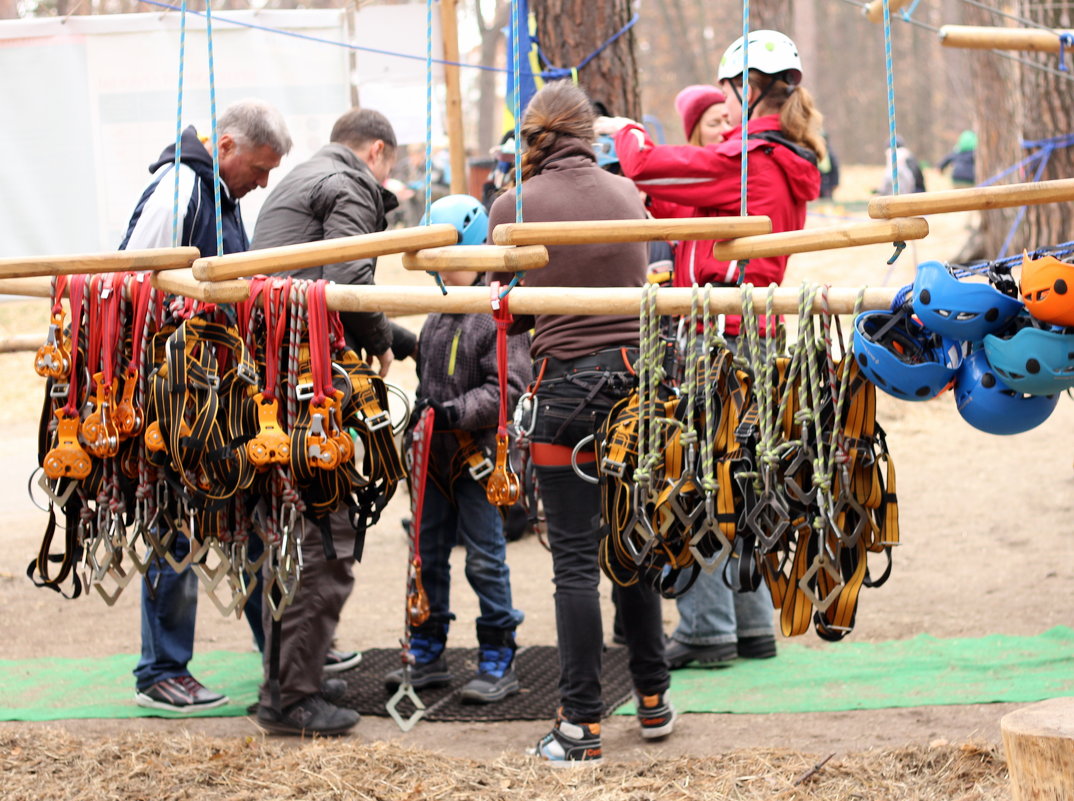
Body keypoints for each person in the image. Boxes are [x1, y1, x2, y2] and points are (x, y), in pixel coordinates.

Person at [601, 31, 825, 668]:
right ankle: (750, 624)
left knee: (695, 478)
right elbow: (680, 200)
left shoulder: (751, 159)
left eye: (730, 95)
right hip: (747, 335)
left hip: (715, 339)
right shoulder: (778, 160)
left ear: (747, 88)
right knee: (741, 476)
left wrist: (626, 134)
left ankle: (704, 630)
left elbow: (648, 167)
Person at [490, 81, 675, 766]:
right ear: (589, 132)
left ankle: (582, 723)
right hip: (636, 388)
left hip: (565, 389)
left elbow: (508, 314)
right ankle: (652, 699)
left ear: (532, 135)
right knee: (631, 545)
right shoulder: (628, 195)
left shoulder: (514, 205)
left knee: (574, 559)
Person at [125, 99, 293, 714]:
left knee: (251, 521)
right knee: (176, 523)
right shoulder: (180, 190)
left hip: (224, 393)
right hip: (178, 397)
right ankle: (161, 670)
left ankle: (280, 653)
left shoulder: (220, 196)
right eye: (259, 167)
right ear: (225, 149)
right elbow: (131, 276)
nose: (264, 182)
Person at [249, 107, 399, 736]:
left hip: (272, 381)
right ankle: (293, 699)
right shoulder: (351, 184)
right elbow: (347, 279)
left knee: (293, 536)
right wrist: (378, 338)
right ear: (377, 153)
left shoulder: (301, 180)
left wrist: (396, 336)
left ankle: (287, 679)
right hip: (307, 389)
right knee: (325, 537)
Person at [382, 194, 528, 704]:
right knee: (428, 556)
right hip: (433, 462)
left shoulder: (495, 316)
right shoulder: (442, 314)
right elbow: (429, 369)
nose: (440, 270)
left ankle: (498, 652)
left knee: (485, 559)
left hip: (477, 460)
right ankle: (426, 645)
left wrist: (453, 412)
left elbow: (505, 390)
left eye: (449, 258)